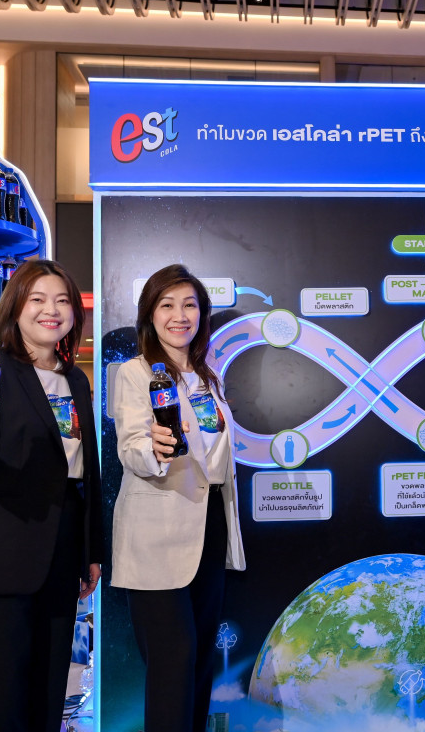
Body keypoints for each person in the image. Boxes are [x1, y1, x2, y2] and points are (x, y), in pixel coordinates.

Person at [0, 259, 104, 732]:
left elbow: (84, 473)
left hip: (60, 557)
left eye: (62, 300)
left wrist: (90, 550)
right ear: (14, 308)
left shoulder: (76, 380)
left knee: (46, 699)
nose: (52, 310)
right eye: (38, 299)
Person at [112, 263, 246, 732]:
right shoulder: (133, 373)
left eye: (189, 305)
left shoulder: (208, 377)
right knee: (173, 662)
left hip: (208, 530)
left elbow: (215, 457)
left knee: (199, 664)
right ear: (150, 315)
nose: (179, 315)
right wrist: (156, 448)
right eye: (167, 305)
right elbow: (132, 446)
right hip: (157, 539)